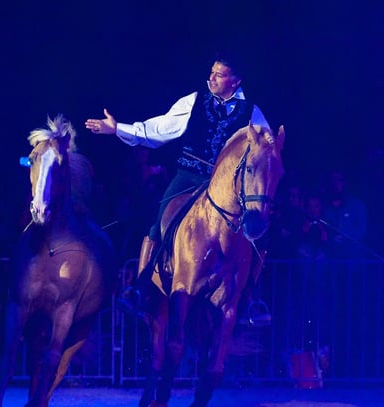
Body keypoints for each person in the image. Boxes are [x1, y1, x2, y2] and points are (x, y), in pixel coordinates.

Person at [85, 53, 270, 287]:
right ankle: (142, 288)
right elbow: (159, 129)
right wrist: (118, 129)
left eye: (219, 75)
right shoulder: (194, 101)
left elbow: (267, 152)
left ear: (235, 82)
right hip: (189, 176)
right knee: (159, 222)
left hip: (226, 186)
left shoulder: (252, 113)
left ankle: (250, 298)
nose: (211, 79)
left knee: (256, 235)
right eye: (211, 72)